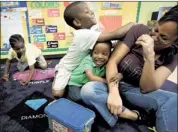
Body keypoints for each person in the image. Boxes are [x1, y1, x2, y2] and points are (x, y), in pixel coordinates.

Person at [80, 5, 178, 132]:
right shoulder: (139, 30)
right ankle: (134, 116)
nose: (154, 37)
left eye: (163, 37)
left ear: (175, 42)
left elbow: (146, 88)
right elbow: (113, 61)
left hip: (135, 91)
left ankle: (123, 110)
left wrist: (149, 57)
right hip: (113, 81)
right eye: (156, 29)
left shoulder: (173, 55)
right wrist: (114, 93)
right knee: (88, 90)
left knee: (172, 100)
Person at [52, 1, 135, 98]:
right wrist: (133, 25)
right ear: (77, 22)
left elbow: (109, 44)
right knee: (57, 94)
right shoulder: (82, 34)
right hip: (66, 68)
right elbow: (115, 34)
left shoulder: (91, 32)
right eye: (87, 12)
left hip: (79, 65)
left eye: (90, 10)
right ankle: (56, 74)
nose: (92, 12)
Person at [67, 41, 142, 122]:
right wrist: (108, 81)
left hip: (88, 84)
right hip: (76, 83)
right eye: (96, 53)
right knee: (78, 98)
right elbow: (91, 77)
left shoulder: (107, 63)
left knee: (108, 92)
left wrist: (120, 75)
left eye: (104, 54)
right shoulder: (88, 60)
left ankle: (116, 111)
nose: (99, 56)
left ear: (109, 55)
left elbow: (115, 72)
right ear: (92, 53)